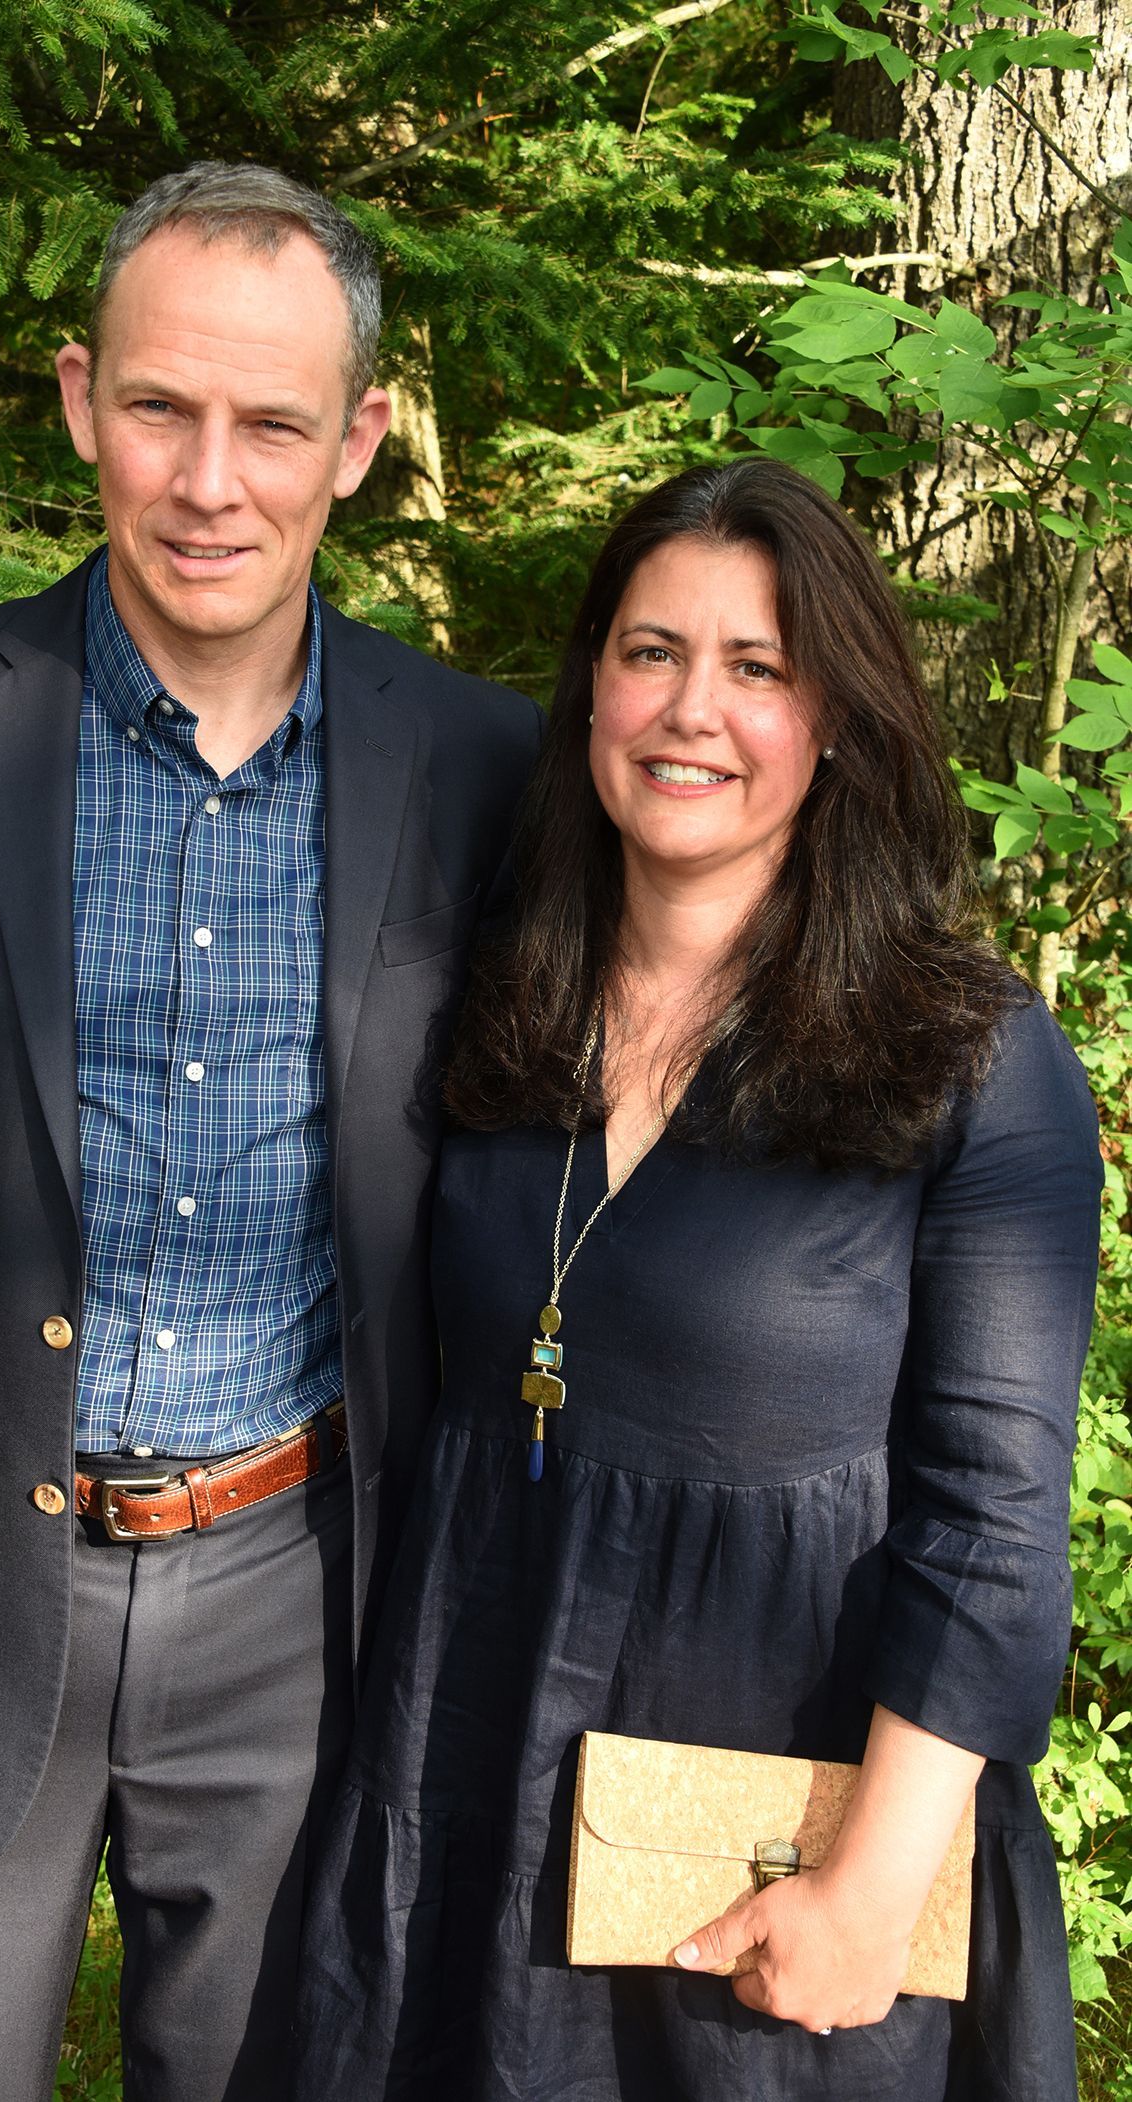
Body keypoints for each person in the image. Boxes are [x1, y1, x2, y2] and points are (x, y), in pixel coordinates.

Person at [0, 161, 541, 2101]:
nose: (209, 479)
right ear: (81, 398)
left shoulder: (483, 770)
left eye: (274, 424)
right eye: (162, 406)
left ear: (366, 443)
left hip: (299, 1604)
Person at [292, 458, 1102, 2101]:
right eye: (652, 650)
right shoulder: (491, 996)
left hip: (764, 1830)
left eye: (759, 667)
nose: (691, 710)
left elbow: (994, 1525)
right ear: (591, 680)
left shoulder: (973, 1057)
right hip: (470, 1754)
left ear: (838, 720)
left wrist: (869, 1891)